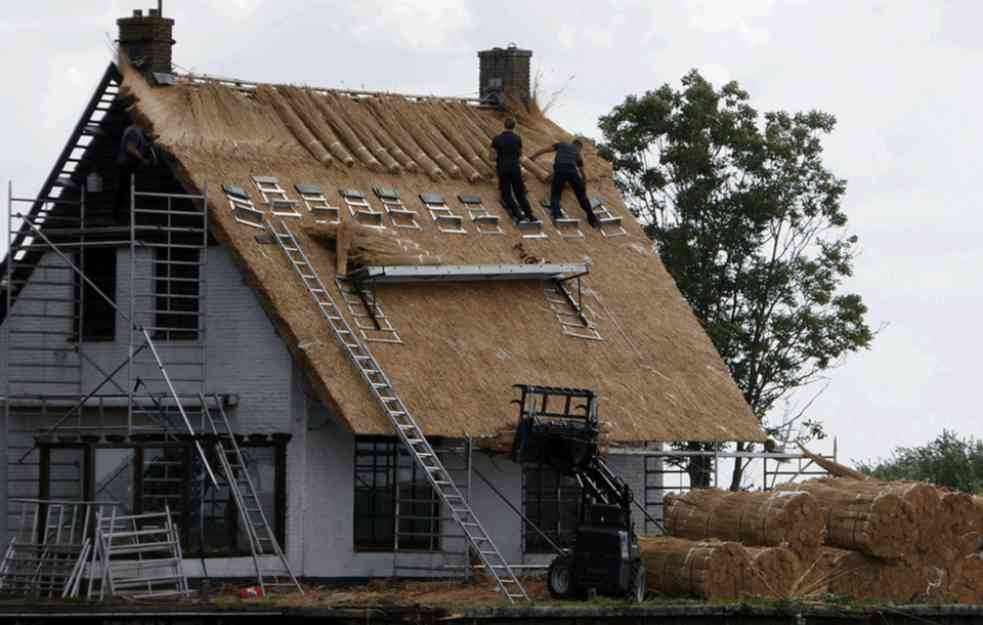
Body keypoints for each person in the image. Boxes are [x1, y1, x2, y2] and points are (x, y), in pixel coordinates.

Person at [530, 138, 600, 227]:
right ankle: (592, 219)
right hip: (572, 171)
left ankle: (557, 216)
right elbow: (582, 172)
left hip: (559, 169)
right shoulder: (577, 152)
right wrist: (583, 186)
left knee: (556, 194)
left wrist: (533, 156)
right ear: (579, 147)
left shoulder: (562, 144)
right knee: (582, 196)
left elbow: (545, 150)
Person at [490, 118, 536, 222]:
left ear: (504, 125)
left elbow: (491, 157)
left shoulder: (496, 139)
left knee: (506, 194)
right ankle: (530, 215)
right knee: (520, 193)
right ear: (514, 127)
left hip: (502, 168)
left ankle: (518, 215)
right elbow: (520, 153)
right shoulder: (517, 138)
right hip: (515, 168)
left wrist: (499, 157)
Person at [114, 112, 155, 223]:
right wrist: (142, 159)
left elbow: (142, 144)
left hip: (129, 165)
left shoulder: (138, 131)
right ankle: (118, 216)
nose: (148, 121)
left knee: (125, 190)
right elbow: (130, 147)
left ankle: (121, 215)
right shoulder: (133, 131)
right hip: (126, 165)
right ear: (140, 120)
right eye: (146, 119)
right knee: (124, 191)